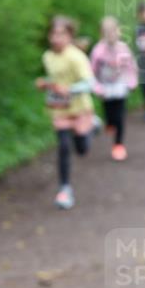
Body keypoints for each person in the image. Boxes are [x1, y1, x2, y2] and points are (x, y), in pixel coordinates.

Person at [36, 15, 95, 210]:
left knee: (82, 149)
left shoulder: (76, 56)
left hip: (80, 109)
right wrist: (46, 84)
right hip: (60, 110)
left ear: (70, 36)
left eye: (61, 34)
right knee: (62, 146)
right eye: (53, 33)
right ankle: (64, 189)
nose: (56, 38)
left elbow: (89, 83)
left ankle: (92, 125)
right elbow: (55, 78)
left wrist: (69, 89)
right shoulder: (48, 56)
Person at [90, 16, 138, 162]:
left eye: (113, 31)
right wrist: (96, 87)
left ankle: (118, 145)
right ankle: (109, 124)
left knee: (119, 116)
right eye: (107, 32)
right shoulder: (98, 51)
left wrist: (132, 82)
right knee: (109, 114)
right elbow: (91, 71)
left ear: (119, 31)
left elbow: (130, 67)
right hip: (105, 88)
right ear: (101, 33)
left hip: (120, 86)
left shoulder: (123, 48)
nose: (111, 34)